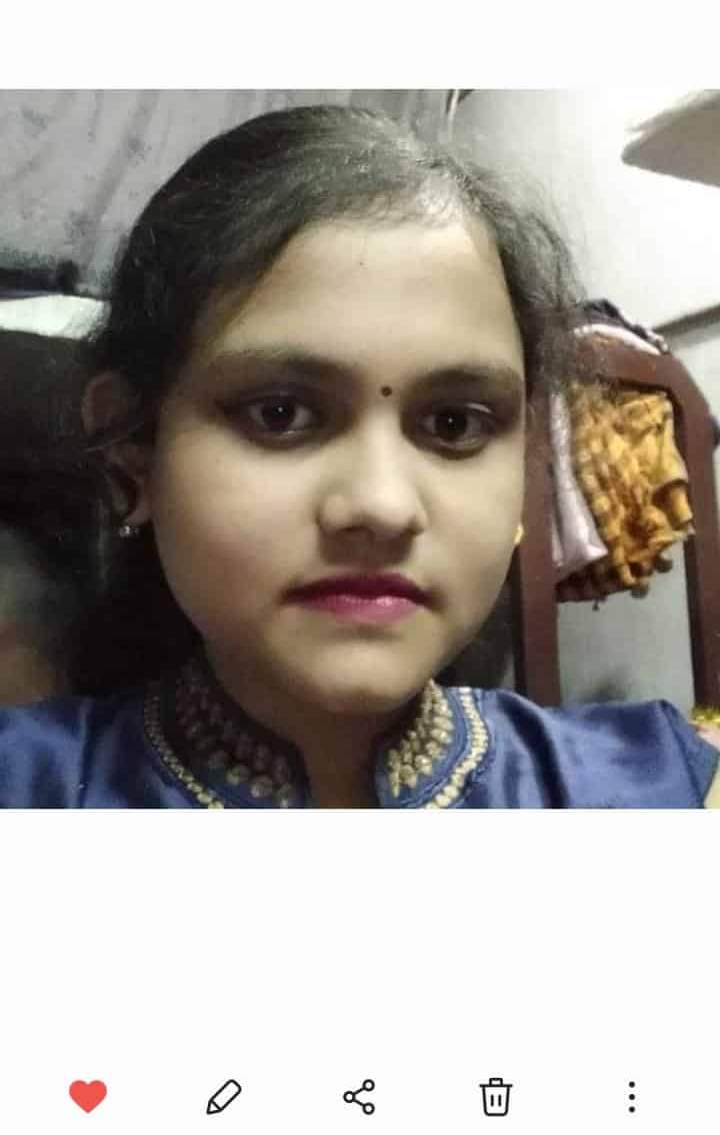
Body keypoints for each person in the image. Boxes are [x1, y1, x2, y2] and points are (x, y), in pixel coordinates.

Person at [0, 105, 717, 808]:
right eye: (280, 414)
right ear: (131, 455)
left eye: (454, 423)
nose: (382, 505)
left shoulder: (659, 784)